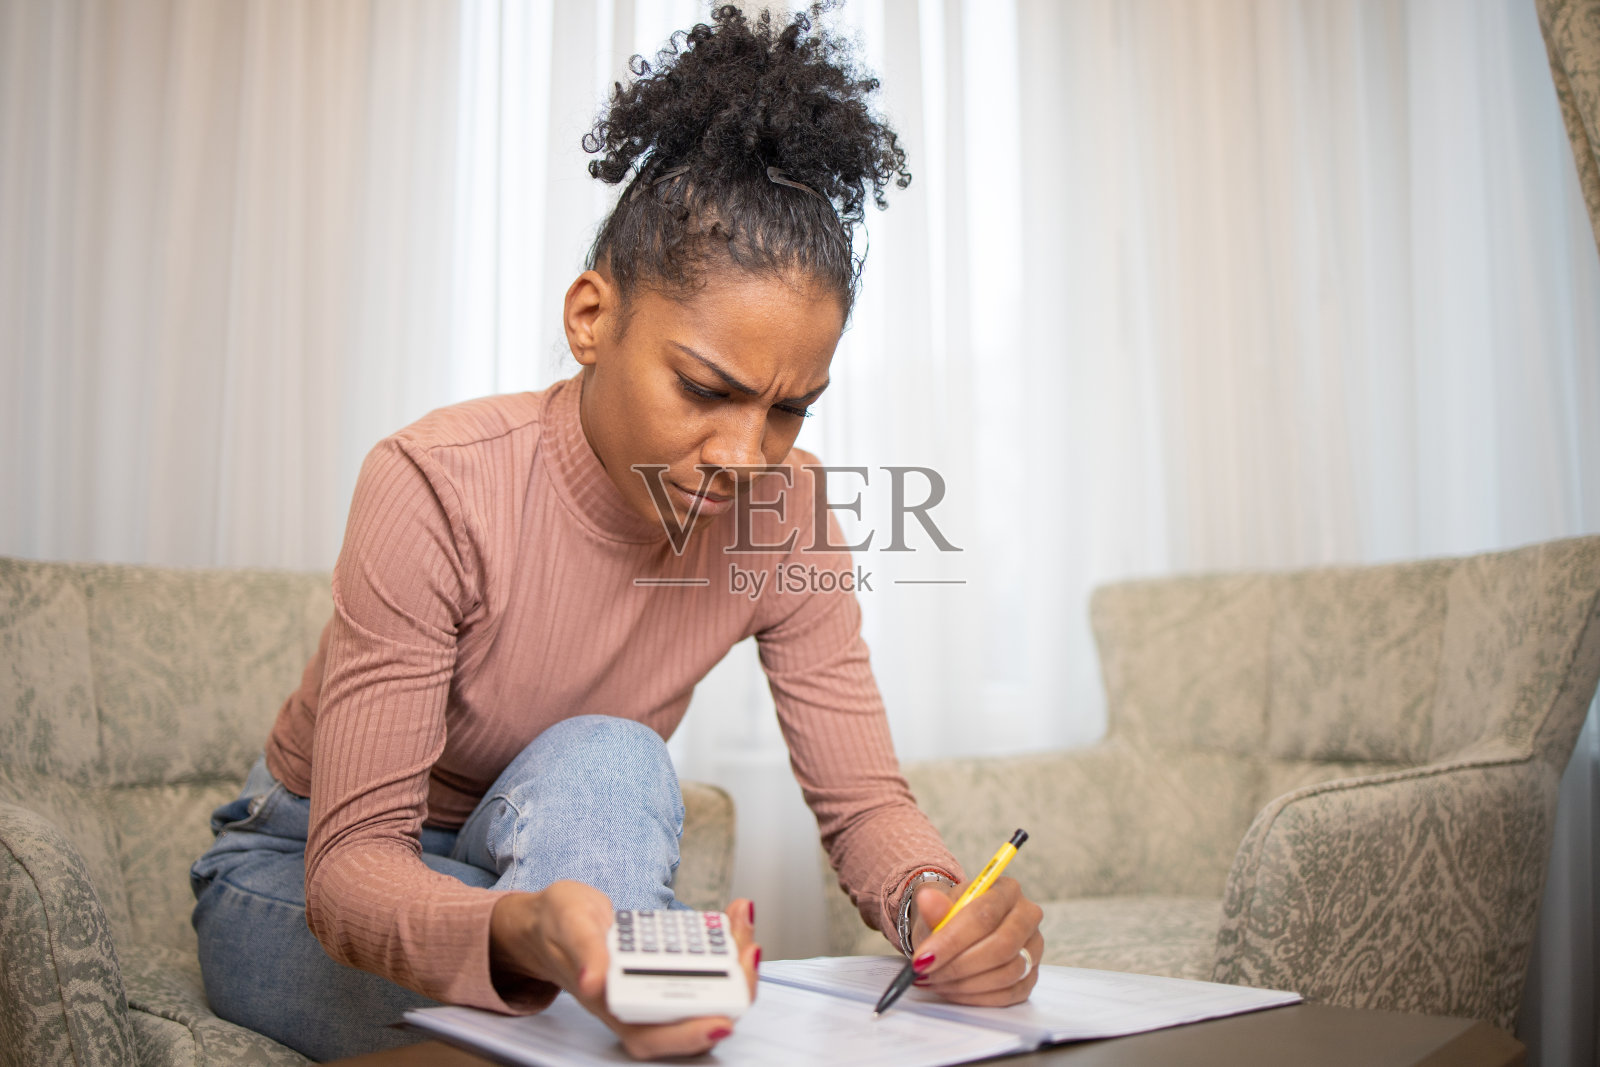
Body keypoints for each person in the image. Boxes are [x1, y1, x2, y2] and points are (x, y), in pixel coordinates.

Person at [190, 5, 1044, 1061]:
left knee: (611, 756)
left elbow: (864, 796)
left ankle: (608, 1000)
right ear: (592, 318)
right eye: (704, 387)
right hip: (300, 873)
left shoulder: (788, 511)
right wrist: (527, 933)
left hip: (560, 871)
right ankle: (610, 1002)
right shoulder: (434, 481)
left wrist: (936, 902)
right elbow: (353, 868)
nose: (746, 454)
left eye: (789, 410)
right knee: (590, 981)